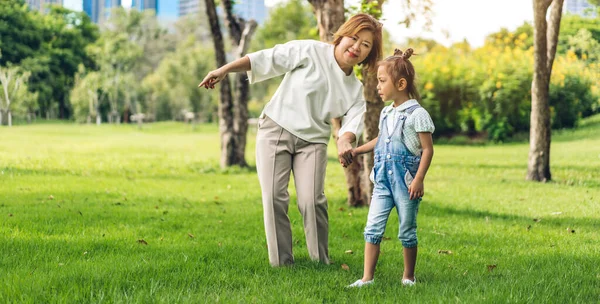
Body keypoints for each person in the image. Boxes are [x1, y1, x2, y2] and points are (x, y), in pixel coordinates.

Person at [199, 14, 383, 267]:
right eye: (354, 38)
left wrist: (345, 141)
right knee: (274, 196)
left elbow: (352, 123)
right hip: (276, 129)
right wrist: (224, 69)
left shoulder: (354, 89)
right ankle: (282, 263)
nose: (356, 47)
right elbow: (267, 58)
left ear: (370, 53)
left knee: (311, 200)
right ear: (342, 36)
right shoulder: (310, 50)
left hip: (313, 142)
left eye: (366, 45)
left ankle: (320, 261)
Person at [346, 48, 434, 287]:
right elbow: (380, 139)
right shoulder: (387, 112)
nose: (378, 86)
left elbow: (427, 149)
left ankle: (408, 277)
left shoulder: (417, 114)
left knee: (407, 229)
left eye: (382, 81)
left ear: (401, 83)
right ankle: (367, 278)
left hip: (406, 183)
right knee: (372, 227)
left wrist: (419, 179)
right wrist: (356, 150)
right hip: (383, 181)